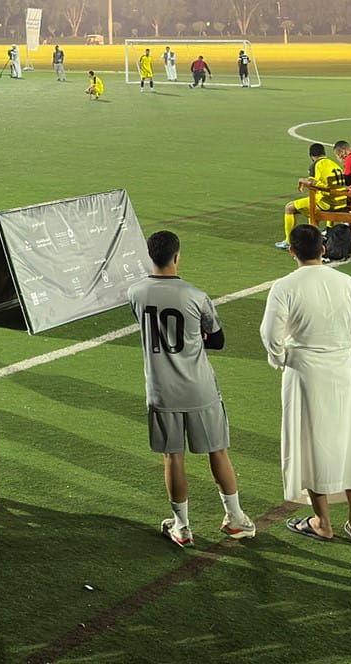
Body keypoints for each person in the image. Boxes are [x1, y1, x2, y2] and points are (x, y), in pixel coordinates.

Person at [129, 230, 255, 547]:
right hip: (200, 388)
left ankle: (182, 526)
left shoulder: (136, 292)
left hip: (161, 391)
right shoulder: (196, 296)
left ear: (150, 257)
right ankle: (236, 518)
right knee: (218, 451)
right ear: (177, 256)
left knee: (174, 458)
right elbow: (219, 340)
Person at [261, 224, 351, 544]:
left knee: (311, 444)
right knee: (350, 440)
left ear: (292, 251)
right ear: (323, 249)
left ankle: (322, 521)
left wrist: (282, 358)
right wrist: (348, 352)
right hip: (342, 371)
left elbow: (271, 335)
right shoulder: (347, 283)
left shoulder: (284, 287)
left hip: (305, 373)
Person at [280, 143, 346, 248]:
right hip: (342, 201)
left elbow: (311, 183)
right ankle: (327, 229)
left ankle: (288, 242)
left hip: (328, 204)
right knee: (313, 204)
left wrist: (301, 180)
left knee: (289, 208)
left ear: (311, 156)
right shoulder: (334, 164)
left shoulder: (316, 164)